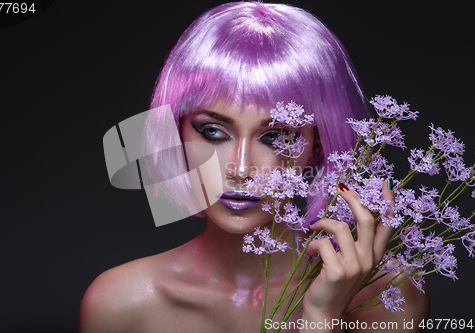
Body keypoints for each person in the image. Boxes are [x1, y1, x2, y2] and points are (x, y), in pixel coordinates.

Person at [78, 2, 430, 332]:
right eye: (213, 131)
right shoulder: (122, 302)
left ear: (317, 145)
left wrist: (322, 317)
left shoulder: (389, 295)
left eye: (275, 137)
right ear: (176, 131)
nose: (240, 168)